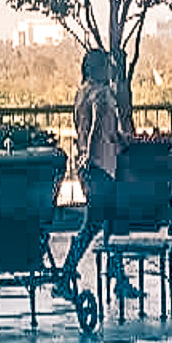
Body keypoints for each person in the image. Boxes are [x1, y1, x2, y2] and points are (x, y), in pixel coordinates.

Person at [58, 48, 138, 296]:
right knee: (98, 223)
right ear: (97, 68)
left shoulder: (82, 93)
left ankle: (116, 275)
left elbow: (84, 128)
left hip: (89, 168)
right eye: (106, 65)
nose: (110, 70)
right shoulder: (103, 95)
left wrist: (84, 159)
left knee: (106, 222)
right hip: (101, 167)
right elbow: (97, 131)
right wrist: (114, 144)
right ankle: (67, 275)